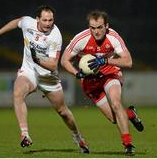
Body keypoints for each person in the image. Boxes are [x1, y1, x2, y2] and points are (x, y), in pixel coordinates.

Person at [0, 5, 89, 153]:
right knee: (17, 93)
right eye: (45, 20)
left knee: (63, 111)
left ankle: (78, 137)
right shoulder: (28, 23)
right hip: (29, 72)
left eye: (51, 20)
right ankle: (25, 134)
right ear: (37, 19)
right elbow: (17, 22)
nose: (48, 23)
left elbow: (53, 65)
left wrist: (38, 60)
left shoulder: (55, 35)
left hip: (48, 77)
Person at [61, 10, 144, 156]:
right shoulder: (81, 39)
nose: (96, 31)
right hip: (90, 82)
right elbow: (64, 60)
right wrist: (76, 73)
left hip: (109, 73)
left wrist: (106, 60)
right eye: (93, 28)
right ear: (89, 27)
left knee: (116, 103)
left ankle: (128, 144)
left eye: (100, 27)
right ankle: (130, 114)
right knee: (114, 118)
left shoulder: (113, 37)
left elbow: (128, 61)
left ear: (106, 26)